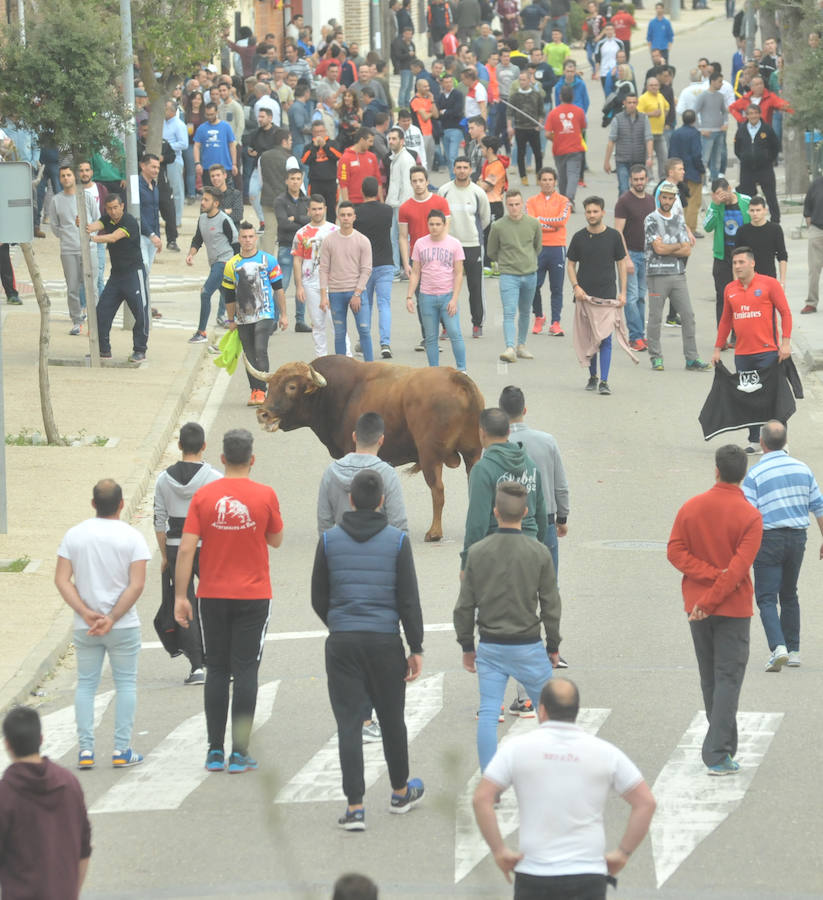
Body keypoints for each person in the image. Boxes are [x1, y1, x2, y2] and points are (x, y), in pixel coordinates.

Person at [311, 469, 425, 831]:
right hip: (385, 642)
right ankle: (400, 792)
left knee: (349, 723)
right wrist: (416, 646)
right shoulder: (397, 541)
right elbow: (408, 599)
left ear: (350, 500)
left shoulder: (329, 540)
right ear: (382, 501)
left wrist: (338, 622)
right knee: (392, 720)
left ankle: (355, 807)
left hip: (343, 642)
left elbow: (318, 595)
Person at [474, 678, 656, 893]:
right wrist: (623, 853)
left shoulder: (517, 748)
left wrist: (499, 850)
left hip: (534, 873)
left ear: (542, 710)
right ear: (576, 710)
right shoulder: (605, 752)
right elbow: (646, 803)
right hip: (588, 874)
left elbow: (482, 798)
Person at [174, 428, 284, 774]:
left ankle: (213, 750)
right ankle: (239, 752)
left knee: (218, 669)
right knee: (246, 669)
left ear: (222, 458)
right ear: (252, 460)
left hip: (212, 595)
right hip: (254, 595)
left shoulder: (204, 496)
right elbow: (276, 539)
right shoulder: (265, 494)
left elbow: (186, 549)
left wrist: (180, 596)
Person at [668, 444, 763, 775]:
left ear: (716, 470)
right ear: (744, 474)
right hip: (732, 609)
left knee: (710, 678)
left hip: (696, 605)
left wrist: (705, 589)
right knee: (728, 678)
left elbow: (675, 551)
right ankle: (718, 753)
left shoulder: (691, 507)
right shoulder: (750, 517)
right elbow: (737, 571)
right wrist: (714, 590)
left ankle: (722, 745)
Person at [455, 482, 561, 770]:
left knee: (489, 712)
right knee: (548, 713)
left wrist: (467, 645)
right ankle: (552, 774)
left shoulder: (478, 552)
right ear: (525, 513)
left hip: (491, 645)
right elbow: (551, 604)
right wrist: (553, 645)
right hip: (528, 645)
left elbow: (464, 606)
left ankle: (490, 778)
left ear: (495, 512)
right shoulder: (538, 552)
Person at [54, 479, 150, 769]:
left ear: (93, 503)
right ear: (121, 504)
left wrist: (85, 612)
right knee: (125, 684)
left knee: (86, 684)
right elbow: (137, 585)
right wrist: (112, 617)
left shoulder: (74, 535)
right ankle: (121, 749)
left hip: (86, 625)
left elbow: (61, 579)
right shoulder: (133, 537)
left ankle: (85, 750)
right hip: (123, 625)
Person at [743, 420, 823, 670]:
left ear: (762, 442)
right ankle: (794, 649)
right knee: (789, 593)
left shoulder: (755, 473)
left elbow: (747, 513)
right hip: (797, 538)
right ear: (785, 441)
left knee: (766, 597)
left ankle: (778, 647)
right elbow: (818, 506)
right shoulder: (803, 469)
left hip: (768, 539)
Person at [153, 421, 223, 684]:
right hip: (207, 547)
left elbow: (159, 521)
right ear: (204, 446)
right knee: (213, 603)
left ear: (179, 445)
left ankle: (196, 667)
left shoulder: (163, 479)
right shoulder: (215, 478)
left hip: (176, 547)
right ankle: (218, 662)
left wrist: (164, 555)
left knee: (184, 603)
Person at [0, 707, 92, 900]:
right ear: (41, 739)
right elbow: (84, 849)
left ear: (7, 744)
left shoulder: (6, 793)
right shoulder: (69, 783)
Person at [711, 245, 792, 452]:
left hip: (768, 352)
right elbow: (725, 321)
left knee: (772, 398)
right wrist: (718, 348)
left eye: (741, 262)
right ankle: (755, 441)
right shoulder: (730, 289)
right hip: (743, 355)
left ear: (752, 263)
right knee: (749, 398)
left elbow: (785, 313)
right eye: (735, 263)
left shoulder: (769, 284)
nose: (737, 266)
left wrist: (785, 343)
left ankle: (780, 442)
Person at [461, 407, 548, 572]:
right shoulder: (530, 465)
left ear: (482, 432)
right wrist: (538, 547)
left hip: (496, 556)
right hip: (530, 552)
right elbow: (541, 515)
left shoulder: (482, 470)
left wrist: (467, 564)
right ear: (508, 431)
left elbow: (477, 523)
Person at [499, 385, 570, 578]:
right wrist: (562, 518)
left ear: (501, 413)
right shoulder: (547, 441)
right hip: (544, 522)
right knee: (548, 586)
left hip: (507, 524)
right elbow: (561, 485)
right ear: (524, 410)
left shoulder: (494, 446)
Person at [644, 181, 709, 373]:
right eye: (664, 197)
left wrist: (669, 247)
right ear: (659, 198)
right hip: (656, 274)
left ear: (674, 200)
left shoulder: (679, 220)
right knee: (655, 317)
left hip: (677, 273)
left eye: (670, 198)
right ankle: (656, 357)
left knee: (688, 316)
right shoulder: (651, 219)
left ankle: (692, 358)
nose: (666, 201)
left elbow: (687, 250)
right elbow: (658, 248)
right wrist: (677, 246)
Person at [221, 221, 288, 407]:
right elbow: (228, 295)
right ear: (239, 239)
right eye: (244, 237)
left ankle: (263, 390)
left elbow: (278, 289)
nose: (248, 240)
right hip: (243, 317)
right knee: (249, 354)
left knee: (260, 349)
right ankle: (255, 391)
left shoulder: (268, 260)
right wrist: (231, 319)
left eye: (251, 236)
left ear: (256, 238)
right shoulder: (231, 264)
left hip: (265, 313)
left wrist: (283, 315)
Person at [566, 196, 627, 394]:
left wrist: (623, 292)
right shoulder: (579, 237)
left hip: (607, 296)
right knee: (590, 338)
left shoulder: (614, 236)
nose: (591, 215)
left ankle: (604, 381)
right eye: (588, 212)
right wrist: (576, 287)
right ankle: (592, 377)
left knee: (605, 339)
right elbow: (570, 264)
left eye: (595, 211)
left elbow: (621, 263)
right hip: (584, 296)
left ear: (602, 212)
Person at [86, 193, 150, 363]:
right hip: (116, 276)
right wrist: (85, 227)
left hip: (134, 273)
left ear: (122, 206)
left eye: (115, 207)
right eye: (109, 209)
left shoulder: (129, 221)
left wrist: (92, 238)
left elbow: (114, 237)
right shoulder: (107, 219)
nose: (113, 212)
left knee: (141, 313)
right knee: (102, 312)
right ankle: (103, 350)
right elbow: (96, 225)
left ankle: (140, 350)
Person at [406, 208, 466, 371]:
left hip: (447, 296)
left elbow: (459, 273)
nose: (434, 227)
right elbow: (415, 272)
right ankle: (434, 371)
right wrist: (409, 296)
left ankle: (462, 370)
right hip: (427, 296)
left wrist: (454, 299)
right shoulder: (420, 244)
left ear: (444, 225)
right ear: (427, 225)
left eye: (438, 224)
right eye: (431, 224)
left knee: (454, 332)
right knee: (431, 337)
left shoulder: (454, 244)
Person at [398, 166, 451, 350]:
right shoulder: (405, 208)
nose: (418, 184)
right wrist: (405, 262)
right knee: (422, 300)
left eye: (421, 180)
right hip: (418, 260)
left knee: (441, 297)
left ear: (427, 181)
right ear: (411, 183)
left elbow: (447, 229)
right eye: (414, 181)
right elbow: (403, 237)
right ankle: (428, 337)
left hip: (439, 258)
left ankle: (444, 328)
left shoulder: (440, 202)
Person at [439, 156, 491, 338]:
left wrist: (473, 234)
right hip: (448, 247)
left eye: (465, 167)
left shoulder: (478, 193)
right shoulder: (444, 191)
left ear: (470, 170)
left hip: (473, 245)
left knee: (475, 286)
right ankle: (446, 326)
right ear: (453, 169)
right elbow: (438, 218)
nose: (462, 170)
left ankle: (477, 324)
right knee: (446, 288)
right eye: (458, 167)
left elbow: (485, 219)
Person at [487, 190, 542, 362]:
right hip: (509, 275)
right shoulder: (498, 226)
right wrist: (505, 262)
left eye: (517, 204)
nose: (514, 208)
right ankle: (510, 347)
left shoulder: (533, 223)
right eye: (510, 205)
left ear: (522, 204)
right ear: (506, 205)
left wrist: (528, 260)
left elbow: (537, 246)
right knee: (509, 312)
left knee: (525, 311)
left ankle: (521, 346)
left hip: (530, 274)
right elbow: (491, 250)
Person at [292, 194, 346, 358]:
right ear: (308, 210)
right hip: (310, 283)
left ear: (325, 209)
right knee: (317, 324)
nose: (317, 212)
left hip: (333, 284)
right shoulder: (301, 233)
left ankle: (346, 357)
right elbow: (297, 261)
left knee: (337, 323)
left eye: (320, 209)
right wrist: (299, 286)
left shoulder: (335, 231)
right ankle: (321, 359)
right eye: (314, 209)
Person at [319, 202, 374, 359]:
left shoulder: (363, 240)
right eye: (343, 215)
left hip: (357, 292)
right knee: (339, 332)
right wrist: (323, 295)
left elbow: (366, 269)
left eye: (349, 215)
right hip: (335, 292)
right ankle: (341, 367)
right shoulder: (329, 241)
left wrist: (357, 293)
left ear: (354, 217)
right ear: (338, 217)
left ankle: (370, 366)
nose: (346, 218)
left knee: (364, 329)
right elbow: (323, 269)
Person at [186, 187, 239, 343]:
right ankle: (241, 327)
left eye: (206, 200)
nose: (202, 202)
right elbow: (197, 239)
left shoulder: (224, 220)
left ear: (216, 203)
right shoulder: (202, 219)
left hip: (225, 262)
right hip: (214, 263)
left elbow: (235, 243)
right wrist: (191, 254)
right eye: (202, 199)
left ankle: (201, 332)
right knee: (228, 298)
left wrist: (237, 268)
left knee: (205, 292)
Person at [51, 165, 98, 335]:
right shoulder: (56, 200)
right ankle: (77, 321)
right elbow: (55, 226)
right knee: (72, 288)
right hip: (68, 250)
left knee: (91, 286)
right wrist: (66, 236)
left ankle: (94, 322)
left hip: (89, 248)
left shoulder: (86, 197)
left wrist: (90, 235)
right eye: (63, 175)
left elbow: (97, 219)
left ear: (74, 176)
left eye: (69, 175)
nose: (66, 178)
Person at [614, 164, 655, 351]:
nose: (639, 182)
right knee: (630, 297)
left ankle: (640, 335)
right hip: (630, 255)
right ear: (630, 180)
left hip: (647, 254)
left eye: (642, 179)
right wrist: (626, 258)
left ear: (646, 179)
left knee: (641, 297)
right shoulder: (624, 201)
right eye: (636, 179)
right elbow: (618, 232)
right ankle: (635, 337)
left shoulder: (651, 200)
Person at [354, 177, 395, 358]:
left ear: (362, 192)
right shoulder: (387, 211)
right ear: (377, 191)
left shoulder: (357, 212)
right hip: (385, 262)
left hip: (364, 265)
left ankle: (364, 341)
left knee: (366, 304)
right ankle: (385, 343)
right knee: (384, 304)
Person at [527, 167, 571, 337]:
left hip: (557, 247)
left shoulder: (564, 201)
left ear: (555, 182)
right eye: (544, 179)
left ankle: (555, 323)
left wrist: (541, 221)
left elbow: (562, 221)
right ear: (539, 181)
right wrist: (550, 226)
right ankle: (539, 316)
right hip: (538, 248)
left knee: (556, 287)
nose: (547, 183)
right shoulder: (531, 201)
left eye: (550, 180)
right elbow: (532, 222)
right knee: (534, 285)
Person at [704, 177, 750, 326]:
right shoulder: (716, 205)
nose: (721, 197)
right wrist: (715, 205)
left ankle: (739, 333)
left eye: (722, 193)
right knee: (723, 296)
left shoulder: (746, 201)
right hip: (722, 257)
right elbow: (707, 227)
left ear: (729, 189)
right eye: (717, 194)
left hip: (743, 258)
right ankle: (722, 333)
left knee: (743, 297)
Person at [274, 168, 312, 332]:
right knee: (281, 284)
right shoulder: (280, 200)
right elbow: (283, 223)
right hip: (286, 246)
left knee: (301, 284)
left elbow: (312, 220)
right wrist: (302, 223)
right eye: (292, 178)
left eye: (298, 178)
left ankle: (300, 321)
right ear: (286, 181)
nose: (295, 182)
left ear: (302, 180)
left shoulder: (307, 200)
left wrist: (295, 219)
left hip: (304, 247)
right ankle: (274, 320)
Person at [734, 104, 780, 224]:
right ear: (747, 115)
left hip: (765, 169)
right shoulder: (741, 130)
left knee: (771, 196)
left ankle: (775, 222)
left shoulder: (767, 129)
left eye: (755, 113)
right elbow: (737, 148)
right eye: (750, 113)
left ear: (760, 114)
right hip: (747, 170)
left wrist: (768, 158)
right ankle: (748, 222)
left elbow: (775, 146)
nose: (753, 116)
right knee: (746, 198)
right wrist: (745, 157)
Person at [544, 84, 586, 210]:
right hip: (575, 148)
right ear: (572, 96)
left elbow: (547, 134)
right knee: (573, 175)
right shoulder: (579, 111)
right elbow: (583, 127)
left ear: (560, 96)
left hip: (559, 149)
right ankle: (569, 199)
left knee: (562, 176)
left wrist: (556, 138)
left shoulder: (553, 113)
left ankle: (564, 200)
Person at [604, 93, 654, 196]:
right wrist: (607, 161)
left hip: (639, 160)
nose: (632, 105)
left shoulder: (644, 118)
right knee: (624, 189)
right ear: (624, 103)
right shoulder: (617, 119)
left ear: (637, 103)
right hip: (622, 160)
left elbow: (649, 138)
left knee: (638, 188)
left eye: (634, 102)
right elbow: (611, 141)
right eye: (629, 102)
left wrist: (650, 157)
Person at [734, 195, 787, 286]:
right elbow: (736, 259)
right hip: (747, 280)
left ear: (765, 211)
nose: (755, 213)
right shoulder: (742, 231)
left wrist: (782, 282)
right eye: (752, 210)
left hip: (769, 279)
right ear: (748, 212)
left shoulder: (775, 229)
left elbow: (782, 256)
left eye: (758, 210)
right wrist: (736, 283)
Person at [301, 122, 344, 223]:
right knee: (314, 211)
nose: (319, 134)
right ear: (312, 133)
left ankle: (331, 231)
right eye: (316, 132)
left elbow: (339, 156)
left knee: (331, 212)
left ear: (325, 131)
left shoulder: (333, 143)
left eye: (321, 131)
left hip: (331, 182)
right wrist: (315, 147)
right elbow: (304, 160)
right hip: (315, 183)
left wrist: (325, 146)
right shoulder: (308, 146)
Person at [193, 101, 237, 188]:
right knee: (209, 193)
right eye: (207, 115)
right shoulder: (201, 128)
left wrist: (234, 164)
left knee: (226, 192)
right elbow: (196, 146)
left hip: (224, 166)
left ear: (217, 112)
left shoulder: (226, 126)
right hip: (207, 167)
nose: (209, 117)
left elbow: (232, 146)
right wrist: (197, 163)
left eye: (212, 114)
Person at [695, 72, 729, 183]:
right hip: (707, 132)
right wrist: (700, 129)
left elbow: (724, 111)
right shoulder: (703, 96)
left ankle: (715, 182)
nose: (721, 84)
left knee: (716, 159)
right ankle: (703, 183)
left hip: (719, 131)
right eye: (719, 82)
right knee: (704, 159)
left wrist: (725, 123)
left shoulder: (720, 96)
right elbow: (694, 112)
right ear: (713, 81)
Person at [338, 128, 381, 204]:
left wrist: (381, 201)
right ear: (361, 140)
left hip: (372, 202)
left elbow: (378, 181)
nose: (371, 144)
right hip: (354, 203)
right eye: (370, 141)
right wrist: (347, 205)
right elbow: (343, 184)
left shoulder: (372, 157)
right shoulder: (345, 158)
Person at [636, 78, 669, 179]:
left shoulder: (660, 96)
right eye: (651, 85)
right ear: (647, 87)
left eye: (656, 85)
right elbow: (638, 114)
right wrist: (651, 114)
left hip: (660, 132)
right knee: (648, 156)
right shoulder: (643, 98)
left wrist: (663, 117)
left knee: (664, 156)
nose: (654, 87)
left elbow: (667, 107)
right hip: (648, 134)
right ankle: (649, 178)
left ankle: (663, 177)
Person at [801, 173, 823, 314]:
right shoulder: (816, 184)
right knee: (814, 270)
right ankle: (811, 303)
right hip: (817, 230)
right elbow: (807, 205)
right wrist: (809, 222)